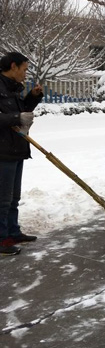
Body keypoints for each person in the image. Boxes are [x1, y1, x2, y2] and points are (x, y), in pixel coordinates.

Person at [0, 52, 43, 257]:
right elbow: (10, 117)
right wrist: (17, 117)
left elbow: (20, 110)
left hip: (16, 147)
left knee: (13, 198)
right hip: (2, 151)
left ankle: (13, 232)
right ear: (13, 66)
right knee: (3, 199)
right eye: (24, 69)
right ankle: (2, 239)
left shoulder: (13, 88)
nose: (26, 74)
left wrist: (32, 97)